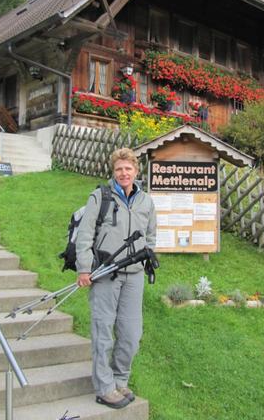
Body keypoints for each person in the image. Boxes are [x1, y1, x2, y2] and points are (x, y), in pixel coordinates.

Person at [76, 147, 157, 409]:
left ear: (136, 170)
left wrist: (146, 258)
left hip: (134, 276)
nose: (124, 173)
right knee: (103, 332)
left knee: (131, 333)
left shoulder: (146, 201)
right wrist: (84, 269)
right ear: (113, 171)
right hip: (105, 274)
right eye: (119, 169)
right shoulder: (100, 197)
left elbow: (151, 235)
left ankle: (120, 379)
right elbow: (85, 235)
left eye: (128, 168)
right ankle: (104, 387)